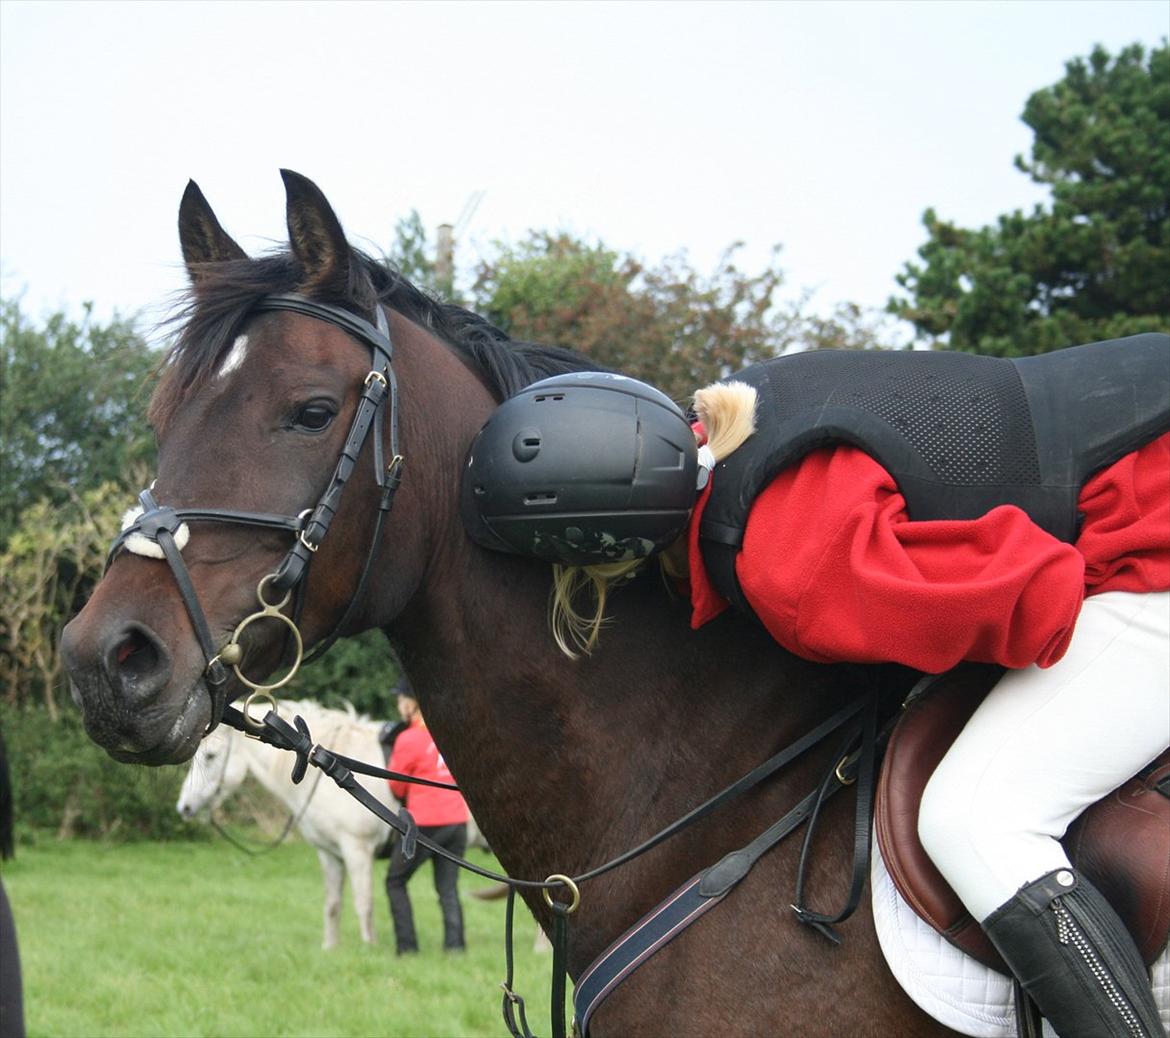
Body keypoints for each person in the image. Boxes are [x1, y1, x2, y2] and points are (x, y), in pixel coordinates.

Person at [460, 342, 1169, 1038]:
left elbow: (1036, 603)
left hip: (1148, 538)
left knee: (976, 820)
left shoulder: (786, 567)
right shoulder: (742, 419)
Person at [384, 684, 470, 955]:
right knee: (448, 888)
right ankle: (455, 947)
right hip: (457, 821)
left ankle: (407, 947)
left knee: (395, 881)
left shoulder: (408, 738)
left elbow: (396, 785)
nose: (399, 706)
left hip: (424, 825)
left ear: (412, 704)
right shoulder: (450, 731)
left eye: (401, 700)